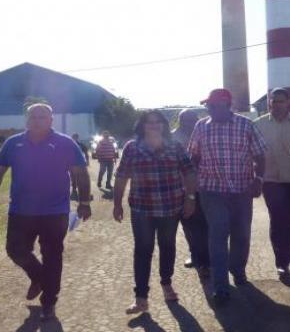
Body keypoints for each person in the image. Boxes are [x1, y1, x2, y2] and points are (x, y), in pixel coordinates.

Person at [0, 103, 92, 321]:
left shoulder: (65, 143)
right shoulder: (14, 143)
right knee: (14, 249)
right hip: (21, 210)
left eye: (42, 117)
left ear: (51, 121)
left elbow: (80, 173)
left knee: (52, 255)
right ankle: (39, 276)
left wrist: (84, 202)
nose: (37, 120)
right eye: (33, 116)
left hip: (55, 211)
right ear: (27, 120)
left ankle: (49, 301)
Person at [112, 110, 197, 314]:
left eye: (158, 122)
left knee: (167, 246)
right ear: (142, 126)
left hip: (170, 207)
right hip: (142, 209)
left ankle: (166, 284)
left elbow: (189, 173)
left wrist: (190, 199)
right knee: (143, 250)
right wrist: (117, 203)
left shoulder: (175, 146)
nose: (154, 125)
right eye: (149, 122)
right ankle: (141, 298)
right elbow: (122, 176)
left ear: (163, 125)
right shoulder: (132, 148)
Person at [188, 88, 266, 306]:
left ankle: (238, 270)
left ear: (227, 105)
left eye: (213, 106)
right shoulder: (201, 127)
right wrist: (193, 183)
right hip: (212, 191)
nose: (209, 109)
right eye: (208, 106)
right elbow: (193, 155)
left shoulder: (246, 125)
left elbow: (260, 154)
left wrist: (259, 179)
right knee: (218, 234)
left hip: (242, 191)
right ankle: (221, 286)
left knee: (241, 234)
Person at [254, 88, 290, 276]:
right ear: (269, 102)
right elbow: (253, 154)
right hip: (271, 182)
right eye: (273, 101)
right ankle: (281, 262)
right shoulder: (258, 125)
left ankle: (289, 252)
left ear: (288, 102)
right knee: (277, 220)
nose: (276, 105)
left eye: (280, 101)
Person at [172, 108, 211, 277]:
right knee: (188, 224)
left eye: (193, 119)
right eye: (186, 120)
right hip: (180, 187)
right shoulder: (172, 137)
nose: (190, 123)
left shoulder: (205, 134)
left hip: (205, 186)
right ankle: (195, 255)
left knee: (205, 224)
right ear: (180, 121)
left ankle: (206, 257)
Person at [70, 133, 90, 200]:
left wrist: (87, 160)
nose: (75, 139)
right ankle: (74, 189)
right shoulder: (69, 145)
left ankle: (77, 190)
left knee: (78, 177)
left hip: (79, 164)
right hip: (72, 164)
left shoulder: (80, 145)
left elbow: (86, 152)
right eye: (74, 137)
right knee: (73, 177)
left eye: (75, 137)